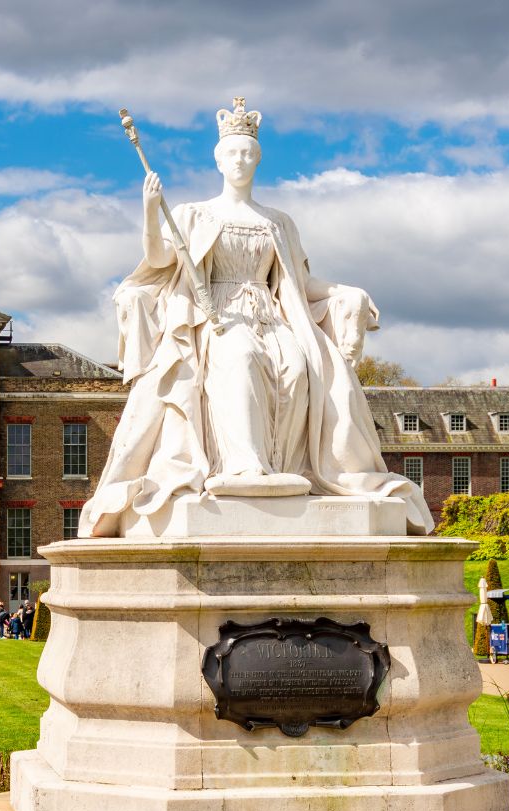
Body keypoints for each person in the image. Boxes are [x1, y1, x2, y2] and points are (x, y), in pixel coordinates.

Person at [80, 98, 432, 539]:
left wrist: (346, 293)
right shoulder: (193, 213)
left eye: (248, 153)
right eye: (233, 153)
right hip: (216, 318)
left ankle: (288, 466)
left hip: (272, 314)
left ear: (258, 159)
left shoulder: (278, 221)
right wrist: (151, 211)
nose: (240, 160)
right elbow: (159, 258)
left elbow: (300, 285)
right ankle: (245, 465)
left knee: (299, 366)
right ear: (218, 159)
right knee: (240, 355)